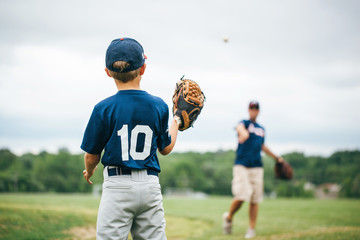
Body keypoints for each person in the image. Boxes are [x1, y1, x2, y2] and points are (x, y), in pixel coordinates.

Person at [81, 37, 181, 240]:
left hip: (117, 186)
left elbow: (92, 155)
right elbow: (166, 148)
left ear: (108, 72)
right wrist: (177, 119)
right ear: (143, 68)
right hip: (150, 185)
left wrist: (89, 171)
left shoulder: (103, 108)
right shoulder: (158, 105)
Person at [222, 100, 283, 239]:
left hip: (257, 166)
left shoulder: (261, 129)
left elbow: (263, 146)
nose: (253, 110)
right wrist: (242, 133)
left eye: (256, 108)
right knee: (242, 195)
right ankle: (229, 217)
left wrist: (277, 158)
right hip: (242, 165)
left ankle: (251, 229)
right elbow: (239, 129)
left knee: (255, 199)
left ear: (259, 111)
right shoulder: (244, 123)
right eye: (251, 108)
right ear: (248, 110)